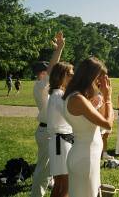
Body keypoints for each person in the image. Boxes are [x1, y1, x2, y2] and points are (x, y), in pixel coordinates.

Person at [63, 57, 114, 197]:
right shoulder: (77, 99)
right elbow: (108, 124)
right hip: (85, 159)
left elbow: (100, 119)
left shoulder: (80, 97)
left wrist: (101, 96)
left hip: (87, 156)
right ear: (90, 76)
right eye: (99, 78)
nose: (99, 82)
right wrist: (108, 98)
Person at [31, 32, 65, 197]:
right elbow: (53, 70)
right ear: (41, 73)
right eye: (46, 70)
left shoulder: (47, 88)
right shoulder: (40, 86)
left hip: (50, 131)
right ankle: (36, 194)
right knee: (42, 170)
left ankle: (50, 182)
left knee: (49, 166)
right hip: (46, 132)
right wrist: (59, 50)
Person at [47, 62, 74, 197]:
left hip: (62, 141)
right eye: (70, 74)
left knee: (60, 184)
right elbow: (72, 116)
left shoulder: (59, 94)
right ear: (61, 76)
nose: (73, 77)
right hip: (61, 143)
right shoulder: (58, 95)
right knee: (65, 184)